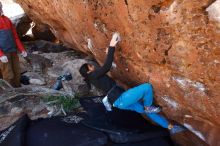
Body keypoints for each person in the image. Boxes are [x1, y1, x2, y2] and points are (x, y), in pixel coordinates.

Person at [79, 33, 186, 134]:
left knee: (148, 112)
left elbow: (105, 67)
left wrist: (109, 53)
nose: (93, 66)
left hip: (119, 104)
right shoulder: (92, 75)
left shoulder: (93, 78)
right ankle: (148, 106)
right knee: (147, 87)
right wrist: (112, 45)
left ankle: (170, 127)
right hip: (122, 99)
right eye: (90, 66)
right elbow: (106, 66)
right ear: (88, 71)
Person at [0, 1, 27, 87]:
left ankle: (18, 90)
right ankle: (10, 93)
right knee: (8, 74)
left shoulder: (7, 19)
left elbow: (15, 36)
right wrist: (1, 55)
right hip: (4, 53)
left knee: (16, 72)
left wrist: (22, 49)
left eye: (0, 6)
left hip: (13, 51)